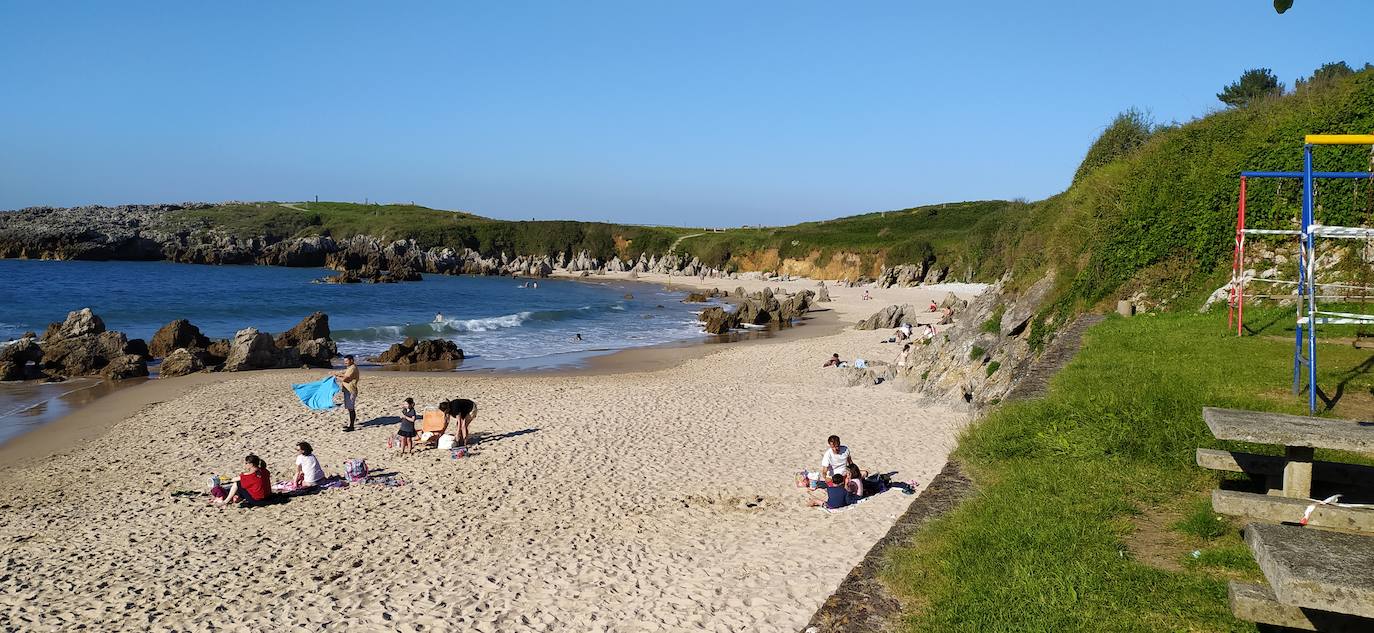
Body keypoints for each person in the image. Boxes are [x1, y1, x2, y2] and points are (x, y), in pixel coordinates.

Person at [333, 355, 360, 432]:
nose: (345, 363)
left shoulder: (353, 368)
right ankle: (350, 425)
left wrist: (336, 377)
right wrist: (337, 374)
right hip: (347, 390)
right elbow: (345, 374)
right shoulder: (350, 368)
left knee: (351, 409)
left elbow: (346, 379)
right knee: (349, 408)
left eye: (346, 361)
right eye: (344, 361)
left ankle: (351, 426)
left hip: (351, 391)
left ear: (351, 360)